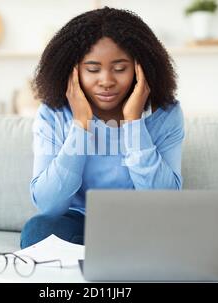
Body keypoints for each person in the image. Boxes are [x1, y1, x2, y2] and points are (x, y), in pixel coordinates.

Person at [20, 6, 185, 249]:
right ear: (72, 70)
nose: (106, 81)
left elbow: (164, 200)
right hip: (77, 221)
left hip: (140, 222)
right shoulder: (53, 114)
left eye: (120, 69)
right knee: (39, 230)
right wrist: (81, 125)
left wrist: (134, 123)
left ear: (141, 69)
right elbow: (48, 205)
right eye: (93, 69)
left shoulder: (166, 114)